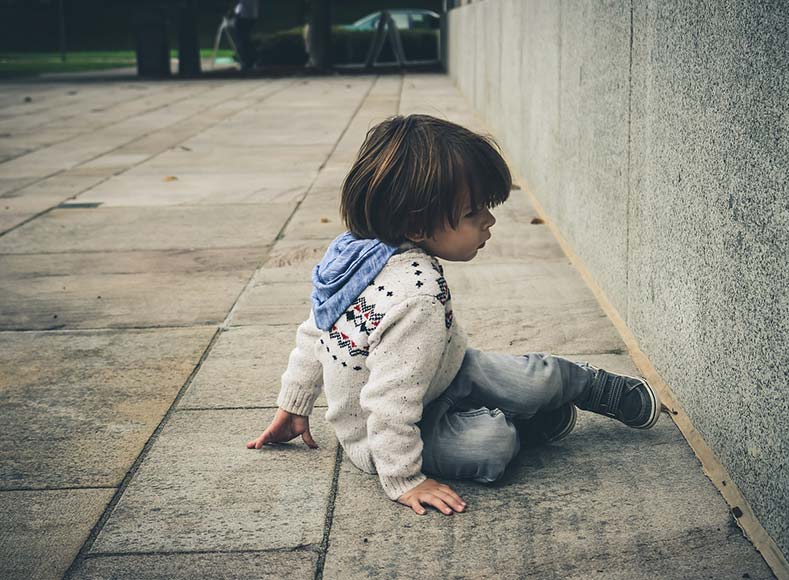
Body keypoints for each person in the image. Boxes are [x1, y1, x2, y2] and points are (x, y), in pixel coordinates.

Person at [247, 115, 661, 516]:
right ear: (416, 226)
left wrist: (293, 407)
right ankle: (527, 423)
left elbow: (313, 333)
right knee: (491, 447)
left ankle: (589, 385)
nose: (489, 221)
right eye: (472, 213)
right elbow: (382, 397)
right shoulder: (415, 298)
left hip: (444, 369)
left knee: (532, 380)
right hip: (380, 429)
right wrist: (403, 479)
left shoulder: (354, 250)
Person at [231, 0, 258, 70]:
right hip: (251, 15)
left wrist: (235, 14)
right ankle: (250, 61)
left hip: (244, 16)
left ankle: (246, 61)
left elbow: (240, 5)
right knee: (245, 39)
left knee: (242, 40)